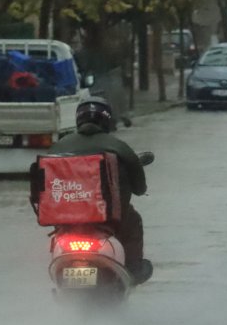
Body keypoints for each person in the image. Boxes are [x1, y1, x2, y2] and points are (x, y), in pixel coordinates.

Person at [49, 97, 152, 284]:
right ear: (107, 119)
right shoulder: (118, 146)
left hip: (67, 218)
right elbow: (139, 188)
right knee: (134, 220)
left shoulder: (58, 147)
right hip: (108, 218)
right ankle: (134, 268)